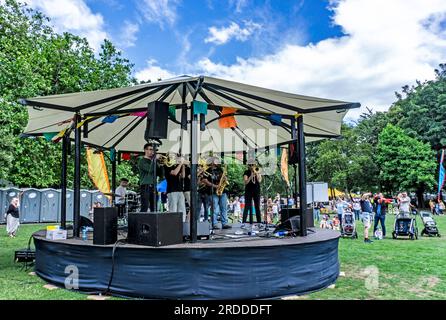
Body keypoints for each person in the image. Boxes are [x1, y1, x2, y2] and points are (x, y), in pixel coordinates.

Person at [202, 157, 231, 230]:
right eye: (216, 160)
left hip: (222, 191)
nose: (218, 161)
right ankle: (214, 223)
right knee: (214, 208)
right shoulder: (207, 170)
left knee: (224, 208)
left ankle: (224, 223)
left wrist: (225, 179)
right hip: (213, 191)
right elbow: (204, 180)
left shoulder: (220, 169)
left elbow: (224, 178)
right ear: (212, 162)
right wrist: (215, 186)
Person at [137, 143, 164, 212]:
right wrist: (155, 160)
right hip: (145, 186)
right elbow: (149, 169)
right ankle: (142, 222)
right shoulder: (141, 161)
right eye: (150, 149)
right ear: (145, 150)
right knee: (145, 206)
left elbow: (161, 175)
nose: (152, 152)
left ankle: (153, 222)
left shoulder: (154, 162)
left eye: (153, 150)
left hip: (154, 187)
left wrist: (161, 165)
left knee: (154, 207)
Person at [164, 153, 187, 222]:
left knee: (182, 209)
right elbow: (174, 173)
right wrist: (180, 164)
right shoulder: (167, 165)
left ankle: (182, 223)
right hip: (172, 190)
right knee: (173, 209)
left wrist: (183, 165)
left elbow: (183, 176)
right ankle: (172, 224)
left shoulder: (177, 166)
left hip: (180, 190)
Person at [242, 162, 262, 227]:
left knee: (257, 207)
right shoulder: (246, 172)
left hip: (256, 190)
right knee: (247, 206)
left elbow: (259, 180)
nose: (252, 166)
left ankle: (259, 222)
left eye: (253, 165)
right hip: (248, 191)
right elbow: (245, 182)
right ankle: (243, 222)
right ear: (249, 166)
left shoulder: (257, 171)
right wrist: (251, 176)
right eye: (251, 165)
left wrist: (256, 174)